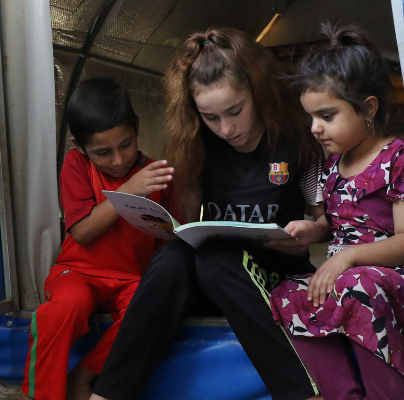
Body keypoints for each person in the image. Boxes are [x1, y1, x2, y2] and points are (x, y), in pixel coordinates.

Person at [90, 27, 325, 400]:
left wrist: (312, 233)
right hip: (213, 274)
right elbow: (190, 220)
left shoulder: (297, 142)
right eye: (211, 117)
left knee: (216, 261)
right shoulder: (196, 145)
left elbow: (325, 218)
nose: (227, 129)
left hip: (274, 272)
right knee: (173, 259)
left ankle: (302, 393)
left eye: (235, 111)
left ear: (257, 92)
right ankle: (107, 395)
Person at [269, 22, 404, 400]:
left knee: (358, 287)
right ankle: (341, 393)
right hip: (345, 275)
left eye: (327, 115)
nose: (315, 128)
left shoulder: (397, 158)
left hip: (389, 277)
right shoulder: (333, 165)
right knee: (288, 293)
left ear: (368, 108)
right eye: (311, 118)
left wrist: (349, 259)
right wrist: (314, 230)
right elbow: (338, 221)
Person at [19, 78, 175, 400]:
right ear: (80, 145)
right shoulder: (76, 165)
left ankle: (83, 377)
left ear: (137, 128)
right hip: (77, 273)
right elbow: (83, 232)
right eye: (102, 152)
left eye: (126, 144)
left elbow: (167, 241)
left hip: (133, 279)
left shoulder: (155, 174)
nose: (118, 160)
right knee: (64, 309)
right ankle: (42, 394)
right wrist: (129, 190)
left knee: (149, 311)